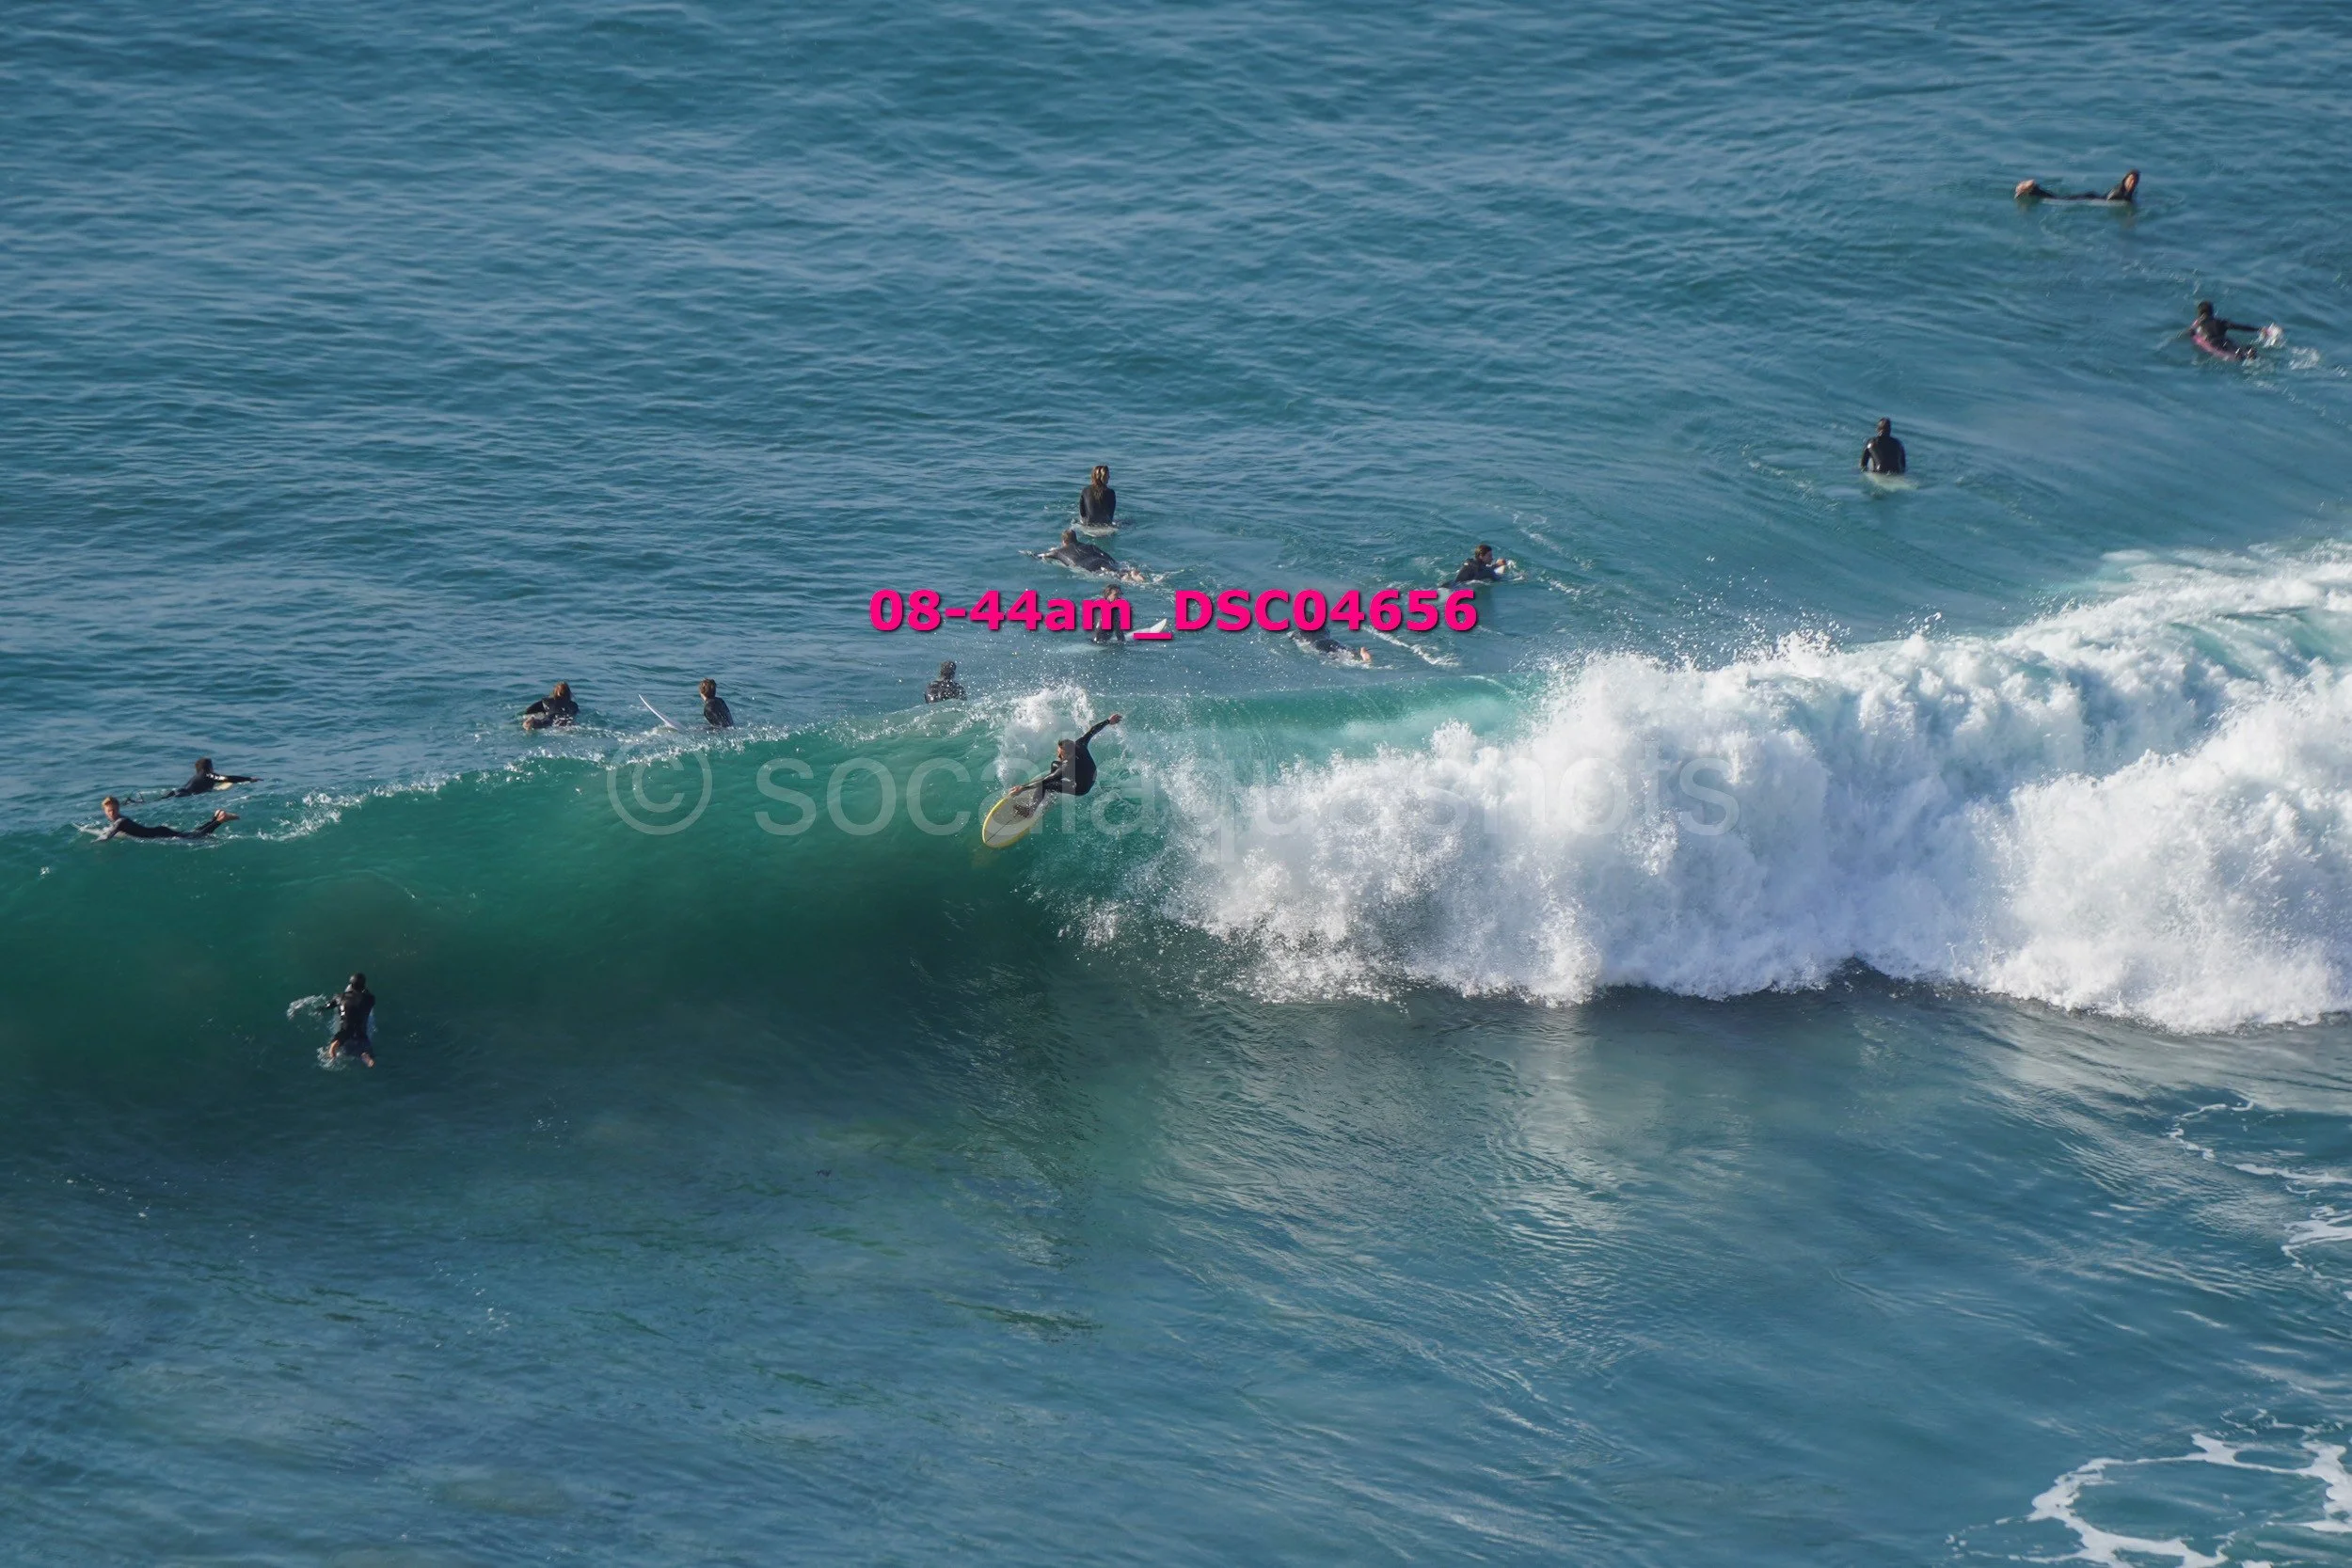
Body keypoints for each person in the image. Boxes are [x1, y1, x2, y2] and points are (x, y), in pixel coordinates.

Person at [1009, 715, 1123, 812]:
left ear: (1069, 755)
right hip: (1090, 776)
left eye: (1061, 754)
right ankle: (1052, 791)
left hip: (1081, 788)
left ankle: (1030, 810)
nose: (1059, 755)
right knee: (1055, 764)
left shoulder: (1067, 766)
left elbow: (1045, 780)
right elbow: (1093, 730)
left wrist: (1022, 788)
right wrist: (1108, 721)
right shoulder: (1080, 744)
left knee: (1045, 785)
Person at [97, 797, 234, 841]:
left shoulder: (120, 821)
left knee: (195, 837)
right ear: (105, 811)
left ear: (118, 809)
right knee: (191, 834)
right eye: (109, 811)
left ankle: (220, 820)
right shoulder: (120, 820)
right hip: (159, 831)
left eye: (114, 810)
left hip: (159, 833)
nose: (112, 813)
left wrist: (93, 842)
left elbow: (107, 837)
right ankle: (215, 817)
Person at [320, 973, 376, 1067]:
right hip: (361, 1035)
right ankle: (366, 1056)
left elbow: (328, 1006)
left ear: (350, 985)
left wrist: (320, 1009)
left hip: (345, 1033)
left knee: (342, 1034)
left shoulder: (340, 996)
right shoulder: (370, 999)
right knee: (363, 1049)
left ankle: (333, 1049)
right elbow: (367, 996)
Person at [1042, 529, 1136, 579]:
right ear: (1076, 538)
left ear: (1064, 541)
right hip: (1102, 561)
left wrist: (1030, 554)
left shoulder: (1058, 552)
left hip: (1087, 566)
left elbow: (1043, 556)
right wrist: (1115, 563)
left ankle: (1126, 577)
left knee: (1115, 576)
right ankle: (1131, 573)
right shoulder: (1090, 546)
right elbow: (1105, 555)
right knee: (1118, 572)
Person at [2190, 301, 2265, 360]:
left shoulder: (2198, 325)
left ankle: (2240, 356)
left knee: (2234, 356)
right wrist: (2259, 329)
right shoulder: (2220, 322)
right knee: (2242, 349)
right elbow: (2239, 327)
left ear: (2199, 314)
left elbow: (2192, 334)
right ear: (2212, 312)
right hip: (2226, 341)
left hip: (2214, 344)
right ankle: (2248, 353)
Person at [2014, 169, 2138, 204]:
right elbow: (2110, 201)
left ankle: (2033, 190)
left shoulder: (2124, 191)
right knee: (2059, 199)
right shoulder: (2118, 193)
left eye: (2135, 181)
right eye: (2130, 180)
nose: (2132, 183)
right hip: (2090, 198)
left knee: (2060, 198)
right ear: (2125, 179)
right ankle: (2034, 189)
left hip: (2093, 195)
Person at [164, 757, 257, 797]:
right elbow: (229, 778)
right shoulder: (209, 775)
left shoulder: (196, 777)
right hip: (184, 795)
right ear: (209, 767)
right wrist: (249, 779)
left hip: (177, 792)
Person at [1292, 626, 1372, 664]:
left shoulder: (1299, 631)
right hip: (1330, 641)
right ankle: (1361, 655)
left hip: (1318, 644)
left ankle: (1357, 660)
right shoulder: (1324, 628)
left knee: (1334, 656)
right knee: (1344, 651)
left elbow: (1294, 639)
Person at [1078, 465, 1117, 530]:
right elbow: (1111, 515)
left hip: (1087, 526)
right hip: (1105, 528)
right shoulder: (1111, 492)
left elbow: (1082, 513)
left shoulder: (1085, 490)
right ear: (1103, 477)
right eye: (1107, 475)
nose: (1109, 477)